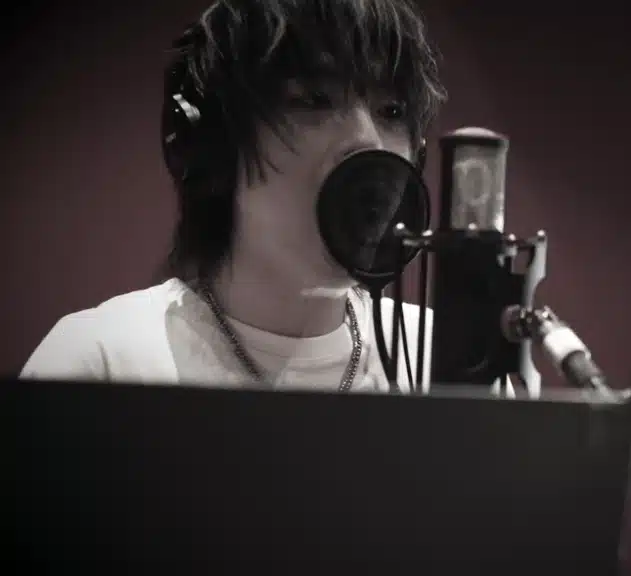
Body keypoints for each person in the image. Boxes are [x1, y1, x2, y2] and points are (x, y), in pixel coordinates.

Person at [21, 0, 447, 393]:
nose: (368, 142)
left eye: (392, 111)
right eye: (313, 100)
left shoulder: (447, 362)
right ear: (215, 147)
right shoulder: (99, 361)